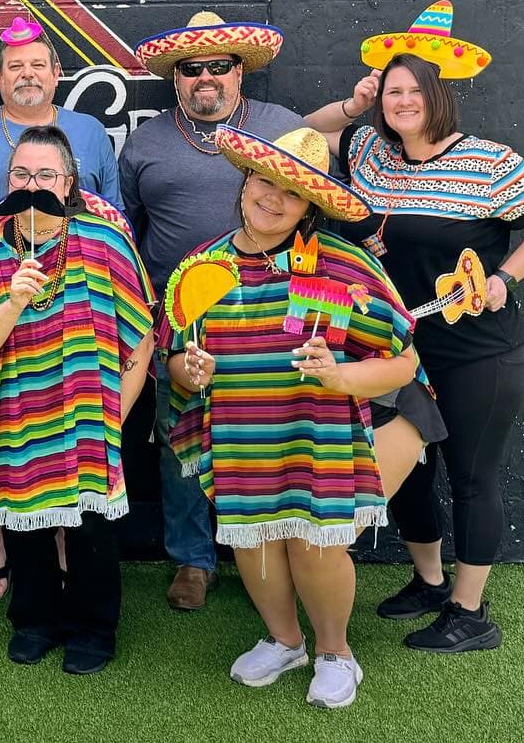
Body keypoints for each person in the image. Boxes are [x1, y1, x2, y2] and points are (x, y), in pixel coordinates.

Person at [329, 2, 524, 652]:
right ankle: (432, 581)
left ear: (438, 94)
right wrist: (353, 107)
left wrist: (505, 278)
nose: (401, 101)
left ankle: (472, 613)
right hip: (398, 348)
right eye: (392, 91)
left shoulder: (489, 162)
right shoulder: (368, 151)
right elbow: (304, 139)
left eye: (413, 90)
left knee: (470, 475)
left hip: (477, 352)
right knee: (409, 468)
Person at [119, 10, 379, 612]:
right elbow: (132, 228)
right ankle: (192, 558)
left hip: (274, 313)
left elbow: (318, 193)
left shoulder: (279, 126)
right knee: (177, 434)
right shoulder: (145, 143)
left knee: (268, 430)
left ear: (240, 72)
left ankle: (271, 548)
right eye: (191, 69)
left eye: (218, 66)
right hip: (181, 315)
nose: (205, 78)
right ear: (176, 78)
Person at [164, 125, 423, 708]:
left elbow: (404, 362)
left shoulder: (343, 266)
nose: (272, 198)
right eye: (262, 181)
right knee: (254, 544)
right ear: (243, 183)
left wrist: (341, 376)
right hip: (239, 433)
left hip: (318, 434)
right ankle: (285, 641)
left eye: (291, 192)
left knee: (313, 545)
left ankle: (336, 653)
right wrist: (190, 370)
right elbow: (175, 358)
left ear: (310, 206)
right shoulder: (201, 267)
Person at [0, 126, 155, 675]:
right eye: (21, 174)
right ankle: (34, 620)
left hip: (90, 418)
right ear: (7, 180)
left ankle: (93, 627)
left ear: (69, 183)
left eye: (45, 175)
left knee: (91, 532)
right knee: (25, 527)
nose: (31, 185)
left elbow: (141, 336)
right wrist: (13, 302)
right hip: (19, 414)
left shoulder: (105, 243)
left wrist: (115, 418)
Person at [0, 16, 122, 210]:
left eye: (38, 65)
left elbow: (113, 215)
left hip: (79, 240)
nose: (27, 73)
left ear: (56, 74)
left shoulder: (91, 131)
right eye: (15, 66)